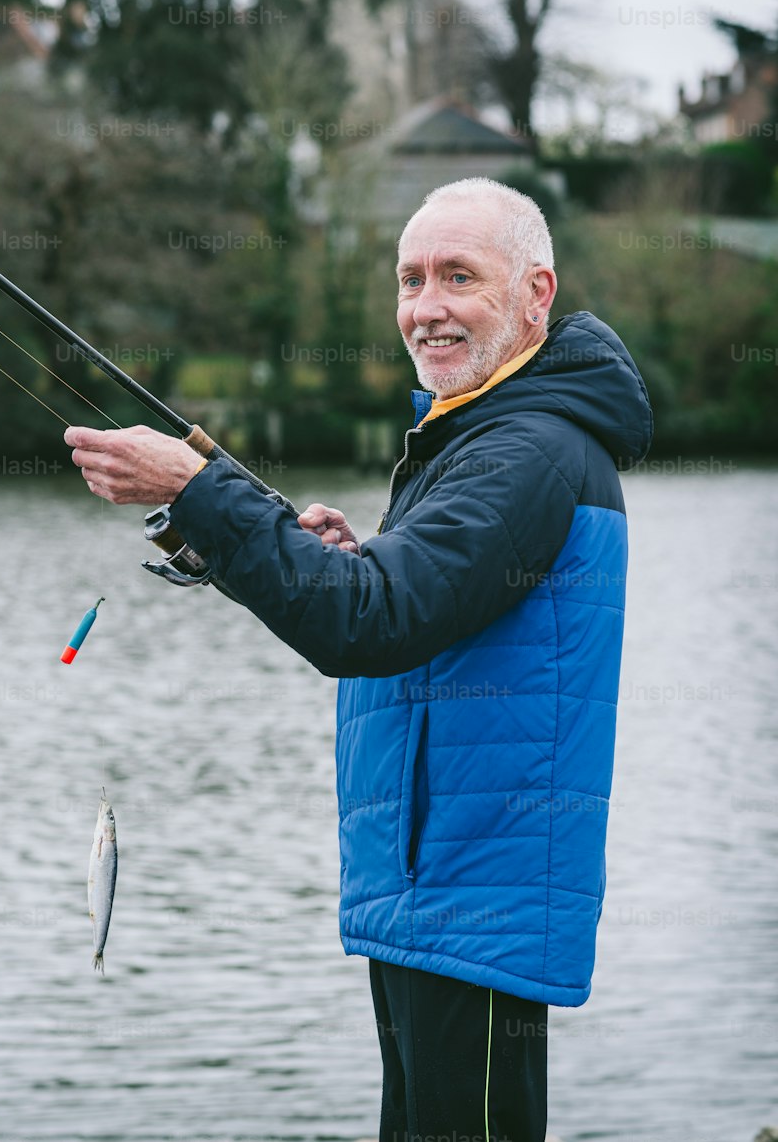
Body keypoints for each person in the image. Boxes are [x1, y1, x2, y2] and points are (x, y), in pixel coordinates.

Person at [64, 176, 653, 1142]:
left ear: (535, 295)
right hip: (428, 885)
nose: (426, 308)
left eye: (459, 277)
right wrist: (316, 551)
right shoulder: (476, 440)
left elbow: (366, 625)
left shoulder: (528, 450)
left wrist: (203, 490)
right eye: (410, 279)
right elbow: (406, 604)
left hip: (478, 899)